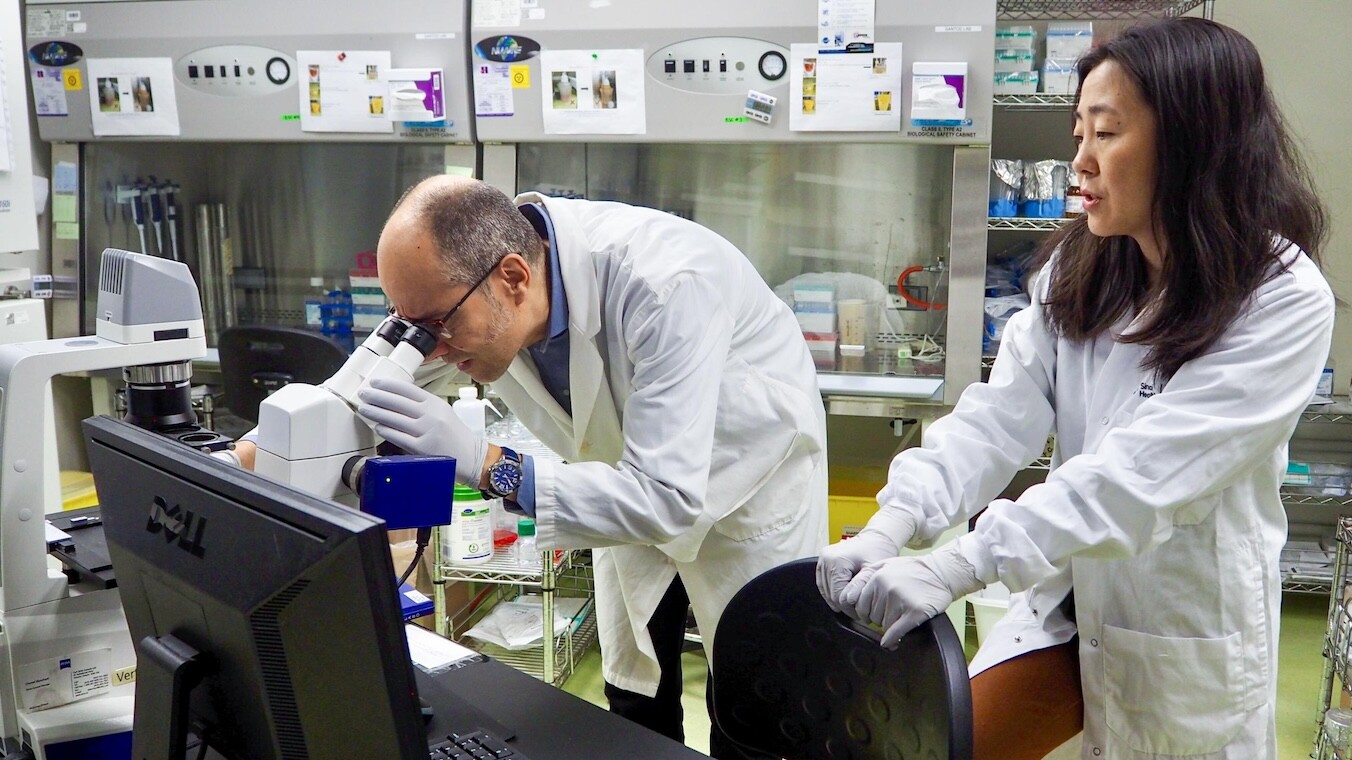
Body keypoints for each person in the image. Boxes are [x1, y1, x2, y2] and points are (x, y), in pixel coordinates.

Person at [817, 18, 1333, 760]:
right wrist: (892, 524)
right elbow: (996, 419)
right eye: (1078, 132)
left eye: (1108, 133)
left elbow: (1139, 478)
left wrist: (960, 563)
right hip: (1069, 601)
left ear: (1193, 142)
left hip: (1176, 622)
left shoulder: (1279, 301)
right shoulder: (1082, 271)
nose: (1080, 162)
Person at [356, 175, 828, 758]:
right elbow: (357, 390)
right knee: (633, 688)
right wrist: (259, 451)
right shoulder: (471, 295)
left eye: (437, 326)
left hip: (747, 481)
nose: (432, 349)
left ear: (513, 277)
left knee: (757, 707)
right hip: (625, 476)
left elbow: (666, 497)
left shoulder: (667, 284)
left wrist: (489, 465)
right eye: (411, 326)